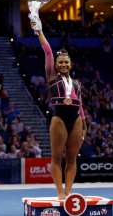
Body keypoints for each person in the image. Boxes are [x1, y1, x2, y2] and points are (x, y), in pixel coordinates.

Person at [33, 20, 87, 199]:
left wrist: (84, 123)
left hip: (76, 119)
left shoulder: (77, 83)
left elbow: (80, 103)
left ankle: (68, 192)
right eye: (60, 62)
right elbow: (48, 51)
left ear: (70, 64)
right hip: (59, 118)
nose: (63, 64)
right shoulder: (51, 76)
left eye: (66, 62)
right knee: (56, 157)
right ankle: (59, 193)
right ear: (55, 65)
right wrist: (39, 31)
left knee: (72, 158)